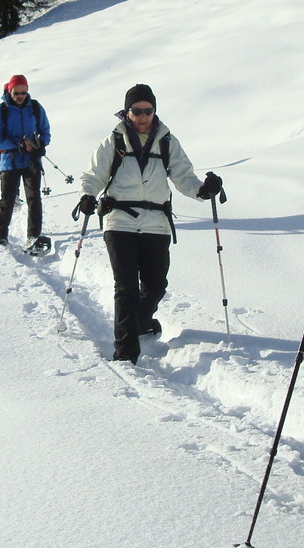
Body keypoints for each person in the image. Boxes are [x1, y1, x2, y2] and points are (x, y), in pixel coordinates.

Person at [75, 84, 222, 364]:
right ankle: (125, 353)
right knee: (126, 287)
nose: (143, 116)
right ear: (126, 112)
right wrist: (87, 196)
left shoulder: (167, 141)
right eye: (137, 111)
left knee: (155, 285)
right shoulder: (114, 141)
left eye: (148, 111)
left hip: (156, 223)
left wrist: (203, 190)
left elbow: (183, 176)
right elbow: (93, 175)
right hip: (119, 221)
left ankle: (141, 322)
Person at [0, 74, 51, 248]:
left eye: (23, 92)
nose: (20, 96)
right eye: (16, 93)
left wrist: (39, 144)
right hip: (9, 162)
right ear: (10, 91)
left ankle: (34, 237)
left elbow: (45, 131)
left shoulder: (35, 107)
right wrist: (17, 144)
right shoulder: (2, 110)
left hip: (31, 160)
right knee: (7, 200)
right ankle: (1, 235)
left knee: (34, 199)